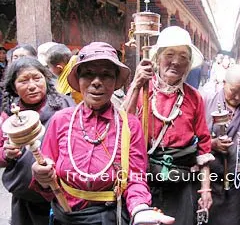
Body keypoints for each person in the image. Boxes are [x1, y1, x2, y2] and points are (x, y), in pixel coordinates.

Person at [30, 42, 175, 225]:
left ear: (115, 82)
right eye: (88, 74)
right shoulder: (60, 120)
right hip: (66, 216)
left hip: (110, 216)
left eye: (106, 75)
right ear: (79, 80)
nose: (96, 82)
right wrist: (42, 177)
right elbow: (47, 180)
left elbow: (135, 178)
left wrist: (139, 209)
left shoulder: (129, 125)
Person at [124, 26, 214, 225]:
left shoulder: (194, 97)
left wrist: (205, 188)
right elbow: (123, 125)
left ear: (189, 64)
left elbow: (204, 147)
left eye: (183, 56)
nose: (175, 61)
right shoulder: (142, 88)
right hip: (143, 181)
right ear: (157, 58)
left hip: (181, 183)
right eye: (169, 54)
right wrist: (137, 85)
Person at [0, 57, 74, 225]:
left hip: (61, 194)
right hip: (25, 200)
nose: (32, 85)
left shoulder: (65, 107)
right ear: (13, 86)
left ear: (46, 79)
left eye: (37, 78)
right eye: (23, 81)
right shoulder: (9, 116)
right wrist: (6, 153)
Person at [201, 64, 240, 225]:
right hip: (207, 181)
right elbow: (190, 137)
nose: (239, 97)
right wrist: (212, 143)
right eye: (234, 91)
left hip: (237, 185)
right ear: (224, 83)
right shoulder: (205, 100)